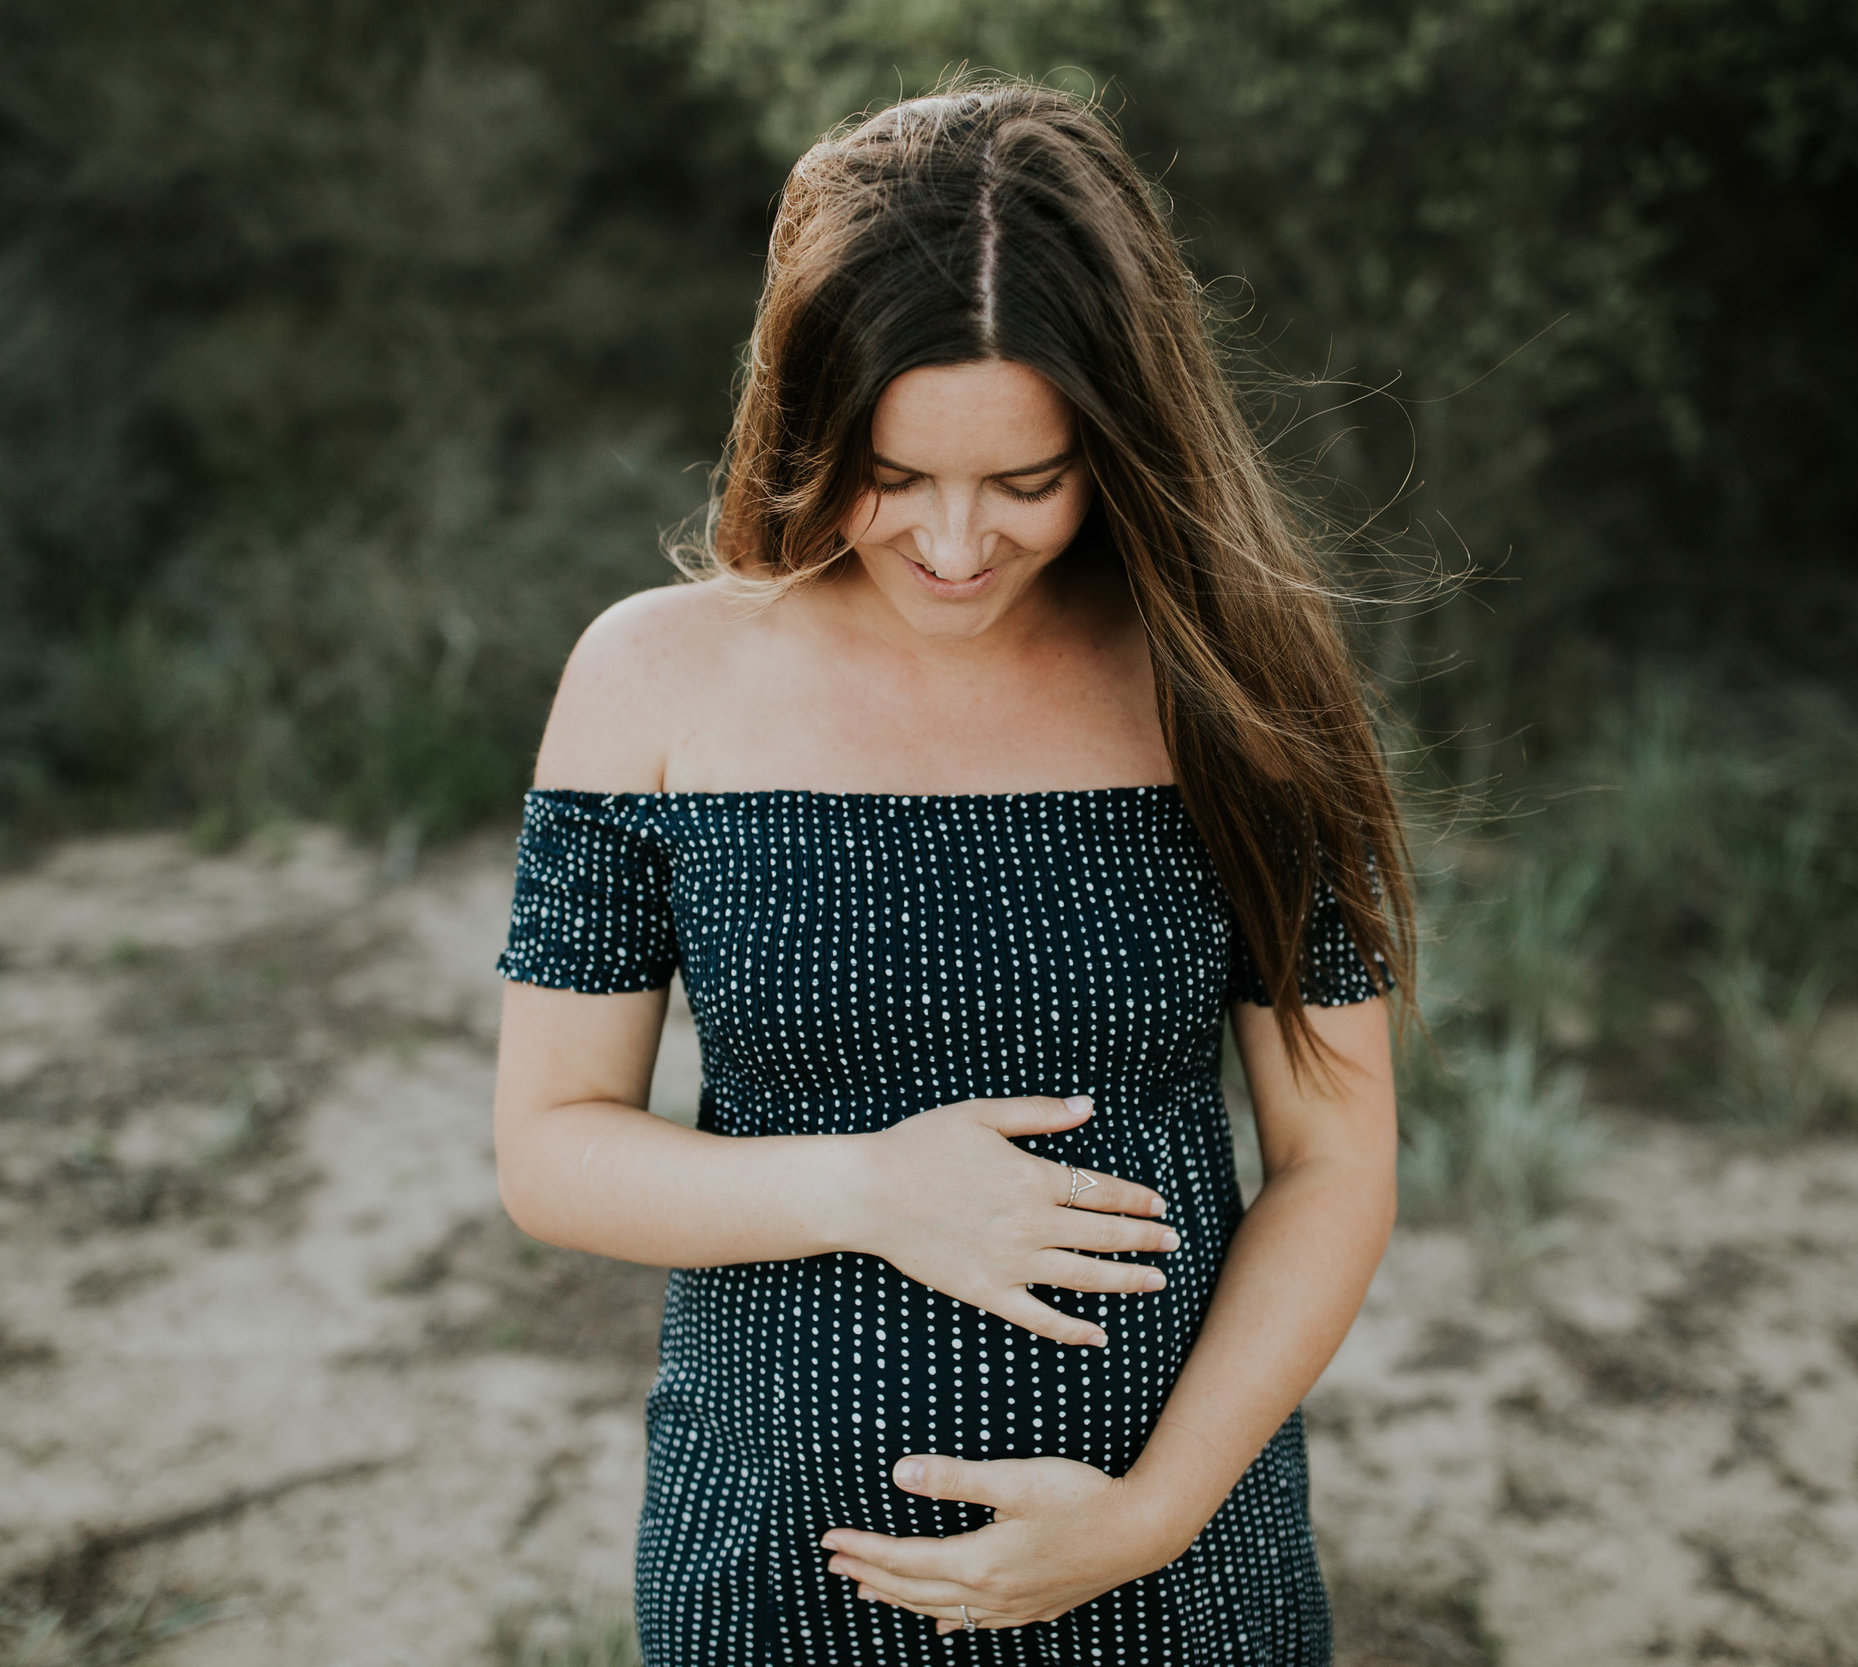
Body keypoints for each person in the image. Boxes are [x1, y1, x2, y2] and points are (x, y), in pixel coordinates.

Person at [491, 76, 1413, 1665]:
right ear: (805, 420)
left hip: (1178, 1570)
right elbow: (552, 1149)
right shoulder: (653, 679)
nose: (956, 542)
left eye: (1028, 483)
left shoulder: (1228, 677)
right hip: (775, 1563)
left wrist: (1147, 1516)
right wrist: (864, 1185)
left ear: (1117, 442)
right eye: (895, 476)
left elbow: (1335, 1164)